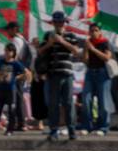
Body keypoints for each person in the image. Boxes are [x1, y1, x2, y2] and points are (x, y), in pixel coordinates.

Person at [41, 11, 79, 141]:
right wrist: (50, 44)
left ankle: (72, 130)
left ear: (65, 23)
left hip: (67, 74)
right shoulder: (48, 35)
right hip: (53, 74)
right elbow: (40, 51)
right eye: (56, 22)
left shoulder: (71, 35)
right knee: (53, 104)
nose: (59, 24)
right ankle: (53, 131)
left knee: (68, 103)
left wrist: (62, 41)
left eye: (61, 22)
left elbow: (76, 51)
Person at [0, 42, 29, 135]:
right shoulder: (1, 61)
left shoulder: (16, 63)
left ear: (13, 52)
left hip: (11, 89)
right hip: (1, 88)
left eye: (9, 51)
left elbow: (26, 72)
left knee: (12, 110)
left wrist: (16, 77)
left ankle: (10, 129)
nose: (7, 53)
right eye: (5, 51)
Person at [80, 23, 113, 134]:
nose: (94, 32)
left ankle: (103, 127)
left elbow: (107, 57)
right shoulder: (88, 43)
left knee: (103, 101)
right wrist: (86, 49)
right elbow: (85, 60)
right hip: (90, 72)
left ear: (100, 32)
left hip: (102, 73)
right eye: (92, 30)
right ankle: (87, 125)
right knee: (86, 99)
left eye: (96, 30)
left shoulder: (104, 42)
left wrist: (93, 49)